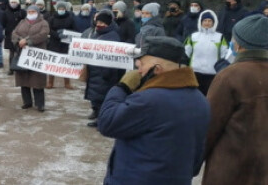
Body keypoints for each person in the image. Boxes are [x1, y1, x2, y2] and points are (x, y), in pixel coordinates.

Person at [98, 36, 209, 184]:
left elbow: (107, 122)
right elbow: (197, 158)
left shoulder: (149, 99)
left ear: (157, 69)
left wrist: (122, 87)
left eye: (141, 65)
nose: (138, 70)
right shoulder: (200, 100)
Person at [203, 15, 268, 185]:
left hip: (231, 168)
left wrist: (193, 162)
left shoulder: (230, 76)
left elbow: (209, 126)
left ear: (239, 44)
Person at [83, 11, 123, 127]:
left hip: (105, 72)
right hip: (94, 70)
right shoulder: (96, 33)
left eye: (102, 22)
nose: (99, 24)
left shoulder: (113, 36)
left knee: (102, 97)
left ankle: (102, 121)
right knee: (95, 96)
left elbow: (113, 57)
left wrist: (107, 72)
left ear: (108, 23)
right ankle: (97, 114)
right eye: (98, 22)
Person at [12, 6, 50, 112]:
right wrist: (19, 40)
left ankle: (40, 104)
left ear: (37, 12)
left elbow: (43, 34)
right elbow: (14, 33)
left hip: (36, 55)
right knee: (23, 79)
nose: (31, 13)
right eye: (29, 11)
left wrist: (28, 41)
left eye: (33, 11)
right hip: (22, 54)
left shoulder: (43, 23)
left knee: (37, 80)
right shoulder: (22, 22)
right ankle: (27, 102)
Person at [184, 10, 228, 95]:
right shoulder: (193, 37)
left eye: (209, 21)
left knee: (210, 96)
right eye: (205, 20)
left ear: (214, 23)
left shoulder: (220, 37)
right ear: (200, 22)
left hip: (212, 73)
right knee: (195, 95)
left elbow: (224, 54)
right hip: (195, 72)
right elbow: (186, 52)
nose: (207, 23)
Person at [47, 1, 76, 89]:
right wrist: (57, 35)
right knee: (53, 63)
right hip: (54, 43)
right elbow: (49, 29)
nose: (61, 10)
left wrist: (67, 34)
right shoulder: (52, 18)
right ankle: (50, 82)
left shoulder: (70, 18)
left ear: (65, 9)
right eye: (59, 9)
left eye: (63, 9)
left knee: (65, 62)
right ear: (57, 9)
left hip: (65, 44)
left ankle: (67, 83)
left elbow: (74, 29)